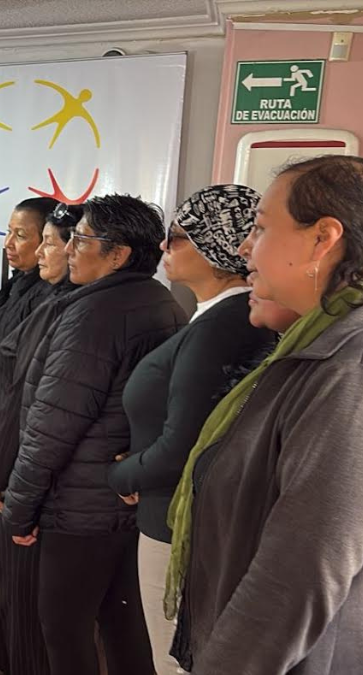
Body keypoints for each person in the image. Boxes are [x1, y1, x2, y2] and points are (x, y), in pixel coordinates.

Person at [169, 155, 363, 674]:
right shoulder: (308, 349)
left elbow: (300, 570)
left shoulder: (350, 367)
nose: (243, 248)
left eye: (260, 227)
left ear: (323, 238)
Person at [2, 195, 186, 675]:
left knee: (65, 633)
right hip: (125, 499)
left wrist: (19, 508)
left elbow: (53, 421)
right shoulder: (161, 302)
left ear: (118, 254)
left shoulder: (94, 313)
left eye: (81, 240)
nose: (70, 250)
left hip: (81, 507)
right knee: (125, 629)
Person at [106, 185, 275, 675]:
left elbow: (186, 443)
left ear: (218, 248)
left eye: (178, 237)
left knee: (174, 661)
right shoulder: (222, 319)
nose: (164, 248)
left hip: (175, 521)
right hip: (175, 509)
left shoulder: (224, 326)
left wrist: (121, 476)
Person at [0, 203, 80, 675]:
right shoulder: (19, 287)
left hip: (23, 453)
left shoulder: (58, 301)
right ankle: (10, 628)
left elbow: (25, 391)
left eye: (25, 236)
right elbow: (1, 373)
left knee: (26, 567)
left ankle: (21, 640)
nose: (10, 245)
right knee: (3, 554)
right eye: (8, 234)